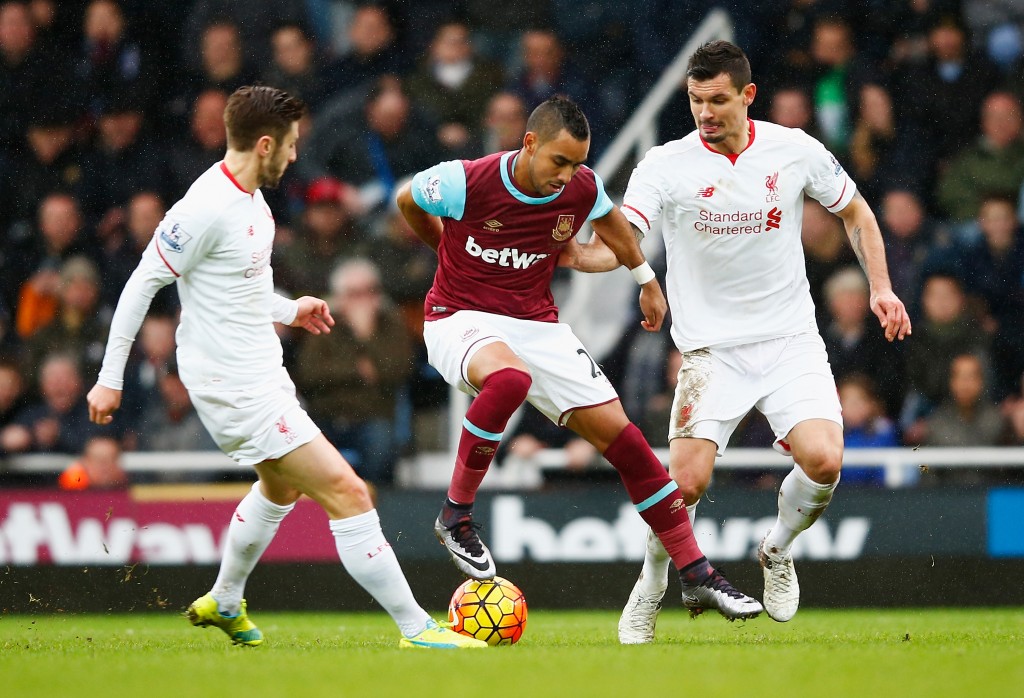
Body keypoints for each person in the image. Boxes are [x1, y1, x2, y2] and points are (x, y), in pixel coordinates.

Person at [86, 85, 485, 650]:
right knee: (349, 492)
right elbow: (140, 285)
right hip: (232, 383)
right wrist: (110, 378)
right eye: (292, 145)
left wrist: (289, 308)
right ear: (266, 144)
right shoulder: (202, 209)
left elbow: (239, 289)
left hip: (261, 370)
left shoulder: (255, 204)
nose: (296, 156)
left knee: (278, 489)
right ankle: (416, 628)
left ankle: (225, 600)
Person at [563, 41, 911, 640]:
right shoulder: (666, 165)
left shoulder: (794, 150)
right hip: (709, 352)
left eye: (718, 99)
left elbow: (858, 214)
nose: (705, 112)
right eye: (696, 100)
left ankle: (776, 549)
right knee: (687, 482)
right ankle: (649, 584)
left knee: (826, 460)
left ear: (747, 95)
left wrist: (881, 287)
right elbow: (628, 243)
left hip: (789, 339)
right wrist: (574, 253)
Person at [396, 95, 762, 621]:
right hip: (459, 315)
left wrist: (645, 280)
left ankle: (697, 573)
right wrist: (443, 249)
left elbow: (612, 227)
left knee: (630, 444)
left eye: (576, 164)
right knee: (509, 381)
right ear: (529, 144)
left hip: (538, 324)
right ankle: (456, 515)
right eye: (558, 161)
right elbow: (410, 200)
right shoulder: (467, 180)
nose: (567, 175)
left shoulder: (582, 186)